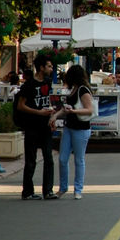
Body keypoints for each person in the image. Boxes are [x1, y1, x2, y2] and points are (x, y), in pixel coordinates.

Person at [14, 55, 57, 200]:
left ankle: (48, 190)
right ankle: (27, 191)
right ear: (41, 68)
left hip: (45, 124)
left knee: (48, 158)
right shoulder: (29, 85)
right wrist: (38, 112)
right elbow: (21, 106)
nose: (51, 69)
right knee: (31, 159)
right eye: (49, 66)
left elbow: (47, 100)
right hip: (32, 125)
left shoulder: (47, 82)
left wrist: (51, 115)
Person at [49, 65, 95, 199]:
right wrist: (56, 115)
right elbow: (66, 108)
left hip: (81, 128)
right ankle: (63, 188)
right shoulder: (74, 89)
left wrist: (74, 111)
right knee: (63, 158)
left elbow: (89, 109)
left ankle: (78, 189)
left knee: (79, 159)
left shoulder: (83, 90)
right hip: (69, 127)